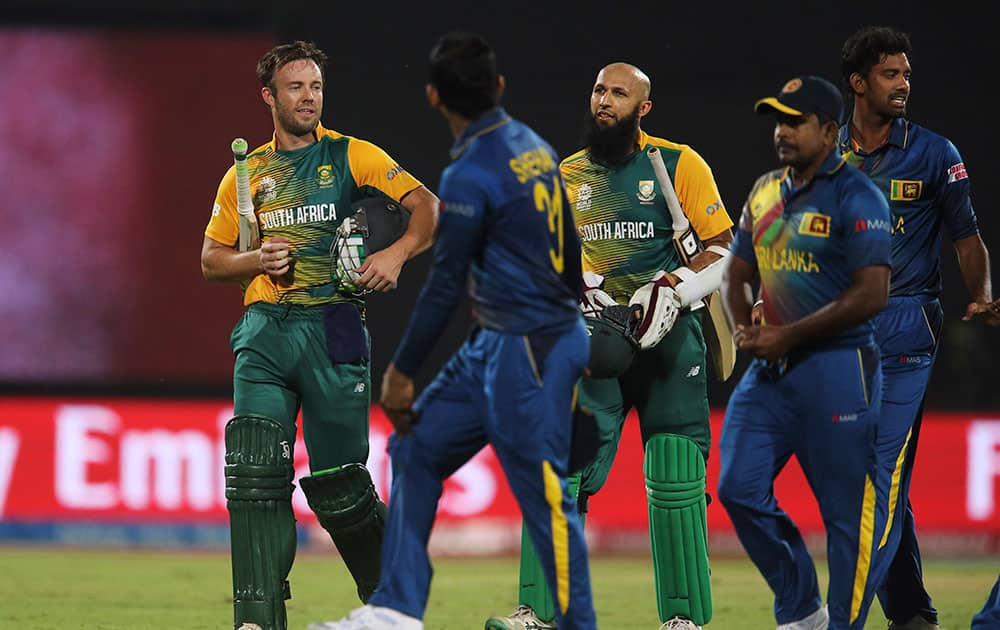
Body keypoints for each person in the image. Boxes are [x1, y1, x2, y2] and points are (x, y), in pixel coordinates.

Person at [306, 31, 597, 630]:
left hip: (529, 348)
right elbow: (568, 245)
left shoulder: (470, 173)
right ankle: (396, 610)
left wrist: (403, 371)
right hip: (507, 342)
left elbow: (444, 284)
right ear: (499, 87)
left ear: (434, 96)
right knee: (414, 448)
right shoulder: (534, 147)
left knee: (546, 500)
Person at [488, 62, 735, 630]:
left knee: (675, 477)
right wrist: (576, 287)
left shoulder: (677, 164)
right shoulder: (565, 175)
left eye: (619, 93)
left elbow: (722, 251)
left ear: (643, 108)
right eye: (599, 89)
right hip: (595, 340)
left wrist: (673, 287)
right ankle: (538, 613)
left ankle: (683, 619)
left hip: (671, 341)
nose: (605, 100)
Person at [200, 40, 438, 630]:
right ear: (269, 97)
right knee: (255, 475)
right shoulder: (245, 174)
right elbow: (210, 259)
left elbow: (428, 207)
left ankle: (393, 609)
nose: (308, 98)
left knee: (341, 486)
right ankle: (256, 620)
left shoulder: (352, 154)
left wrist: (397, 254)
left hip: (333, 324)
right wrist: (255, 260)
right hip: (264, 331)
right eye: (295, 88)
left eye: (315, 88)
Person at [838, 26, 1000, 630]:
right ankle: (910, 614)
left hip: (907, 326)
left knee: (877, 475)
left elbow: (967, 237)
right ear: (859, 83)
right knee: (873, 479)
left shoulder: (936, 153)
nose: (904, 84)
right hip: (838, 331)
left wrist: (980, 296)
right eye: (891, 74)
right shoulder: (826, 154)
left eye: (907, 74)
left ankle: (842, 618)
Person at [718, 75, 892, 630]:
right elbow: (736, 275)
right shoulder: (766, 189)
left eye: (795, 121)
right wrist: (746, 325)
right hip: (770, 373)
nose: (782, 131)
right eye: (778, 120)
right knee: (737, 488)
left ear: (830, 130)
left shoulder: (857, 196)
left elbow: (872, 293)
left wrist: (787, 335)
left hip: (839, 370)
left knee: (845, 520)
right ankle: (802, 611)